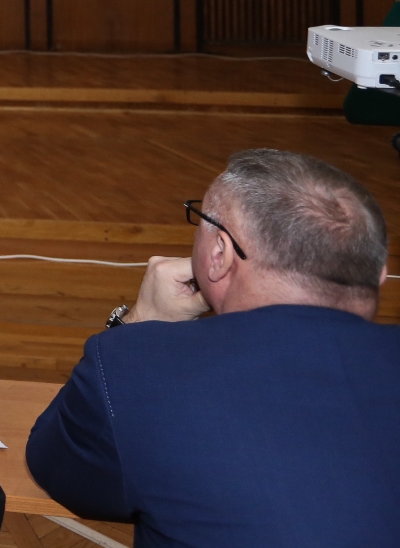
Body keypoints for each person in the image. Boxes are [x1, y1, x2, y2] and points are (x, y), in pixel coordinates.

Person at [26, 149, 400, 546]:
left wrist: (144, 321)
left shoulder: (135, 370)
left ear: (219, 254)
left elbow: (60, 468)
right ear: (380, 274)